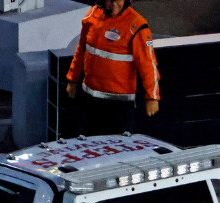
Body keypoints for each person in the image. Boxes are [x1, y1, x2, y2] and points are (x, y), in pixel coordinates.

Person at [65, 0, 160, 136]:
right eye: (110, 0)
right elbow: (81, 49)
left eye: (119, 0)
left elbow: (148, 64)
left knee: (117, 151)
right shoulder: (92, 15)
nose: (114, 5)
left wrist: (152, 97)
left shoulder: (137, 25)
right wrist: (72, 79)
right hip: (90, 100)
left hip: (119, 106)